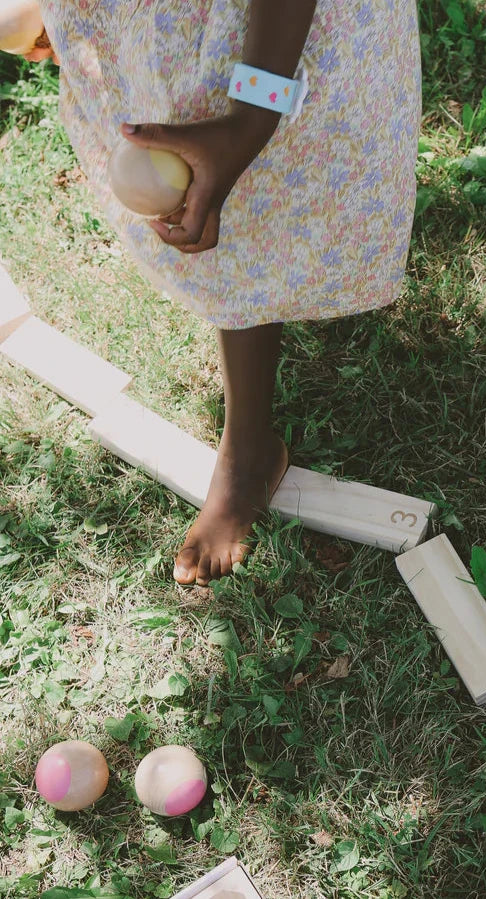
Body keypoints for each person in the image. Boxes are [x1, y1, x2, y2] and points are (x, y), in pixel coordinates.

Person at [19, 0, 420, 585]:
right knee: (206, 179)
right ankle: (249, 449)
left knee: (246, 201)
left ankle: (247, 452)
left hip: (264, 32)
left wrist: (249, 121)